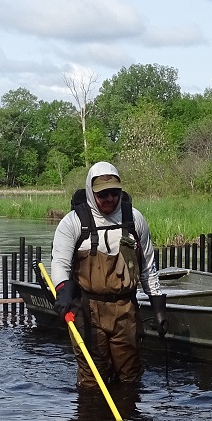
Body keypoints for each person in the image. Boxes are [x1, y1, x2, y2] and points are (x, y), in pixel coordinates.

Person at [49, 161, 167, 391]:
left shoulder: (134, 220)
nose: (110, 198)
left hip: (126, 310)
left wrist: (159, 309)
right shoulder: (72, 223)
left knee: (130, 376)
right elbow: (60, 263)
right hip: (87, 310)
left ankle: (129, 420)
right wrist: (62, 293)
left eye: (115, 192)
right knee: (93, 380)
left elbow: (148, 268)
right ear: (92, 194)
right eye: (103, 194)